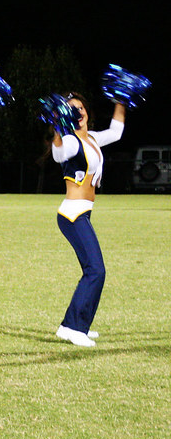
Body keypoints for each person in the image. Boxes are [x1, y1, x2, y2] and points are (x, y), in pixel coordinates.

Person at [50, 92, 126, 347]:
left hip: (83, 211)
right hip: (73, 214)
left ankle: (75, 324)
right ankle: (73, 327)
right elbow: (58, 155)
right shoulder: (70, 141)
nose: (78, 112)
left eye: (80, 108)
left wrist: (121, 100)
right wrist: (58, 128)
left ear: (86, 112)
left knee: (92, 270)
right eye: (71, 109)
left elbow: (116, 133)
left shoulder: (92, 138)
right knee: (96, 270)